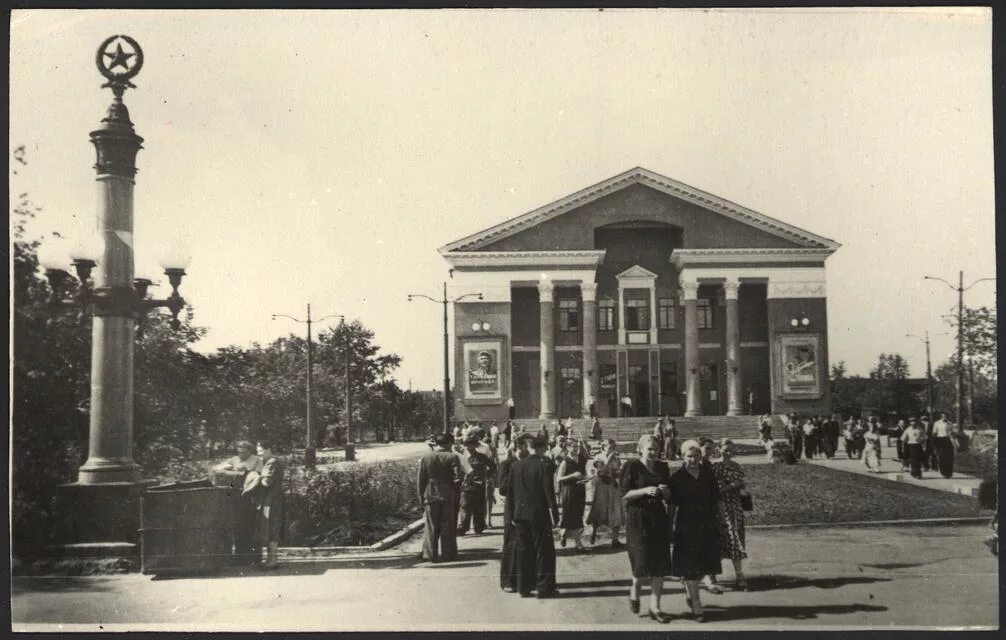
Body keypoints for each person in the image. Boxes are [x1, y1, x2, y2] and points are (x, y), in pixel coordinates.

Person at [667, 440, 722, 622]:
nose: (693, 459)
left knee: (703, 565)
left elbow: (716, 500)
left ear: (701, 456)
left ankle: (690, 591)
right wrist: (670, 526)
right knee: (690, 566)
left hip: (707, 524)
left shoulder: (708, 475)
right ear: (683, 457)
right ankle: (697, 604)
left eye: (696, 456)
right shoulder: (677, 478)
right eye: (689, 456)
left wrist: (720, 521)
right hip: (686, 525)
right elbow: (672, 506)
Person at [621, 435, 673, 623]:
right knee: (641, 564)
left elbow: (669, 496)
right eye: (649, 448)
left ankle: (655, 607)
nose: (653, 452)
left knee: (659, 565)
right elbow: (625, 494)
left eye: (656, 448)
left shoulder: (662, 467)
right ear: (641, 449)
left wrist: (665, 491)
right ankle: (634, 589)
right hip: (639, 518)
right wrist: (644, 491)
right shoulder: (632, 466)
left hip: (658, 517)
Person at [509, 433, 561, 598]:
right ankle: (544, 588)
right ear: (541, 449)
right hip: (539, 513)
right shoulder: (543, 466)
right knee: (543, 550)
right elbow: (549, 492)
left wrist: (511, 513)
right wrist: (555, 514)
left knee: (524, 549)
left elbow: (511, 493)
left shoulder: (516, 466)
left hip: (519, 514)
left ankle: (523, 587)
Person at [213, 441, 263, 566]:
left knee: (250, 527)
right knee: (237, 526)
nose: (241, 454)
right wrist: (229, 468)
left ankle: (253, 557)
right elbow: (216, 468)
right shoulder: (234, 459)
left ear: (250, 451)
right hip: (234, 497)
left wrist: (247, 470)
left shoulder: (256, 460)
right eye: (239, 452)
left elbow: (258, 475)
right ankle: (239, 557)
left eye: (244, 452)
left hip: (249, 497)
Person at [417, 433, 464, 562]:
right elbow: (458, 477)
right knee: (447, 526)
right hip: (447, 495)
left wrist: (421, 496)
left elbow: (421, 479)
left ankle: (429, 554)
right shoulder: (452, 457)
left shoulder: (426, 457)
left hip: (430, 494)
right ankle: (447, 554)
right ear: (449, 443)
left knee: (431, 525)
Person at [711, 439, 749, 590]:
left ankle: (739, 574)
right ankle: (712, 574)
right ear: (719, 449)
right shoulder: (715, 466)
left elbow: (742, 483)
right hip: (720, 506)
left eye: (731, 450)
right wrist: (731, 485)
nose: (729, 453)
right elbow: (714, 489)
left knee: (736, 538)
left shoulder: (736, 466)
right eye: (726, 450)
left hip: (735, 505)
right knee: (718, 538)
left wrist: (740, 486)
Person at [246, 439, 285, 569]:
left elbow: (266, 482)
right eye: (258, 451)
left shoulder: (271, 462)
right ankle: (271, 559)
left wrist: (255, 475)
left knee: (271, 528)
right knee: (270, 528)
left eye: (261, 451)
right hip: (273, 499)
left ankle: (273, 560)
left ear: (269, 449)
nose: (259, 454)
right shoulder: (271, 461)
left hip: (271, 500)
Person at [498, 439, 527, 591]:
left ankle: (524, 581)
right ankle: (508, 581)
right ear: (517, 448)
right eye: (525, 447)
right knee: (511, 545)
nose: (528, 450)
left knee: (525, 545)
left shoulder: (530, 463)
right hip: (513, 508)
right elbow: (502, 488)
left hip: (528, 509)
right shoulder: (507, 464)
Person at [586, 438, 625, 547]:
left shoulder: (616, 459)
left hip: (613, 486)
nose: (612, 449)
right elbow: (601, 471)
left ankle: (615, 539)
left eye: (613, 447)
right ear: (604, 447)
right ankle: (593, 532)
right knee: (599, 510)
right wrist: (609, 459)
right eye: (610, 447)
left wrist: (618, 472)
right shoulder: (598, 457)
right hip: (602, 486)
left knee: (616, 511)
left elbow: (617, 471)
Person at [556, 437, 589, 551]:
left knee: (578, 515)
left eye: (577, 446)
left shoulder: (582, 459)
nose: (575, 449)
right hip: (569, 490)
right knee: (570, 514)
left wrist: (586, 478)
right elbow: (559, 479)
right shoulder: (565, 461)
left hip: (580, 489)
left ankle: (563, 533)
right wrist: (572, 476)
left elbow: (583, 473)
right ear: (568, 447)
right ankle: (578, 543)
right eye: (573, 446)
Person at [457, 434, 494, 535]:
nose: (469, 447)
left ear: (475, 445)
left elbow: (493, 466)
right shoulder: (461, 456)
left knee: (478, 506)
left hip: (478, 484)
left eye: (472, 444)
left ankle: (479, 526)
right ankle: (463, 527)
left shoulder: (481, 457)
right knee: (464, 505)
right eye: (467, 444)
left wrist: (487, 476)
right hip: (465, 485)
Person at [931, 412, 956, 478]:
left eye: (945, 416)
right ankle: (943, 472)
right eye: (943, 416)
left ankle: (949, 473)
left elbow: (953, 433)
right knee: (942, 457)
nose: (944, 417)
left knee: (949, 457)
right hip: (940, 440)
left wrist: (952, 435)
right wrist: (934, 443)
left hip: (948, 440)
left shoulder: (950, 423)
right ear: (941, 416)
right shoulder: (937, 423)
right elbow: (934, 433)